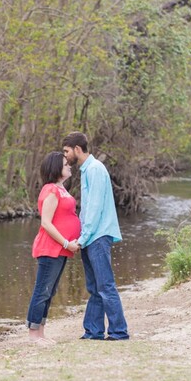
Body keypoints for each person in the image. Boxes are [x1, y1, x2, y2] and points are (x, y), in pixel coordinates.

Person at [62, 132, 129, 341]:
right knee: (94, 288)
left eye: (66, 151)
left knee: (105, 285)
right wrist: (82, 237)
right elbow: (87, 210)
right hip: (90, 236)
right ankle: (93, 331)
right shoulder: (86, 170)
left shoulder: (95, 169)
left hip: (98, 236)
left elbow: (95, 208)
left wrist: (82, 238)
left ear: (77, 149)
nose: (65, 156)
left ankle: (119, 331)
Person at [26, 151, 81, 344]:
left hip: (62, 250)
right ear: (56, 167)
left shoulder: (61, 189)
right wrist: (66, 242)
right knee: (42, 290)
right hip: (50, 249)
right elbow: (46, 223)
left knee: (50, 292)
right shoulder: (51, 190)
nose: (69, 166)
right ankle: (34, 334)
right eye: (65, 164)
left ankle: (41, 333)